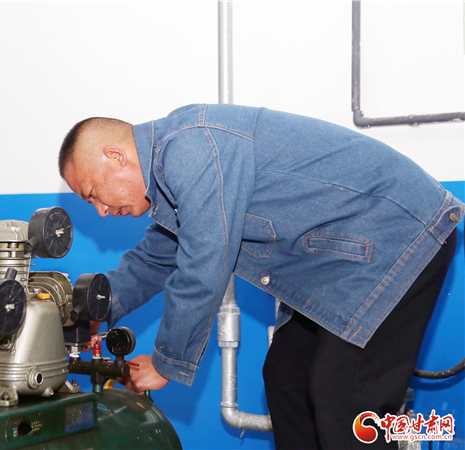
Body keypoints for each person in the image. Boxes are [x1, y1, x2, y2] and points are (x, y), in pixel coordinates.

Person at [59, 104, 462, 449]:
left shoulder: (192, 148)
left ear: (115, 156)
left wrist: (165, 365)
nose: (101, 211)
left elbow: (203, 264)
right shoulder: (172, 176)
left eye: (93, 193)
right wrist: (95, 313)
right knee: (286, 377)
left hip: (399, 237)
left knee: (342, 392)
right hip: (341, 265)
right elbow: (154, 258)